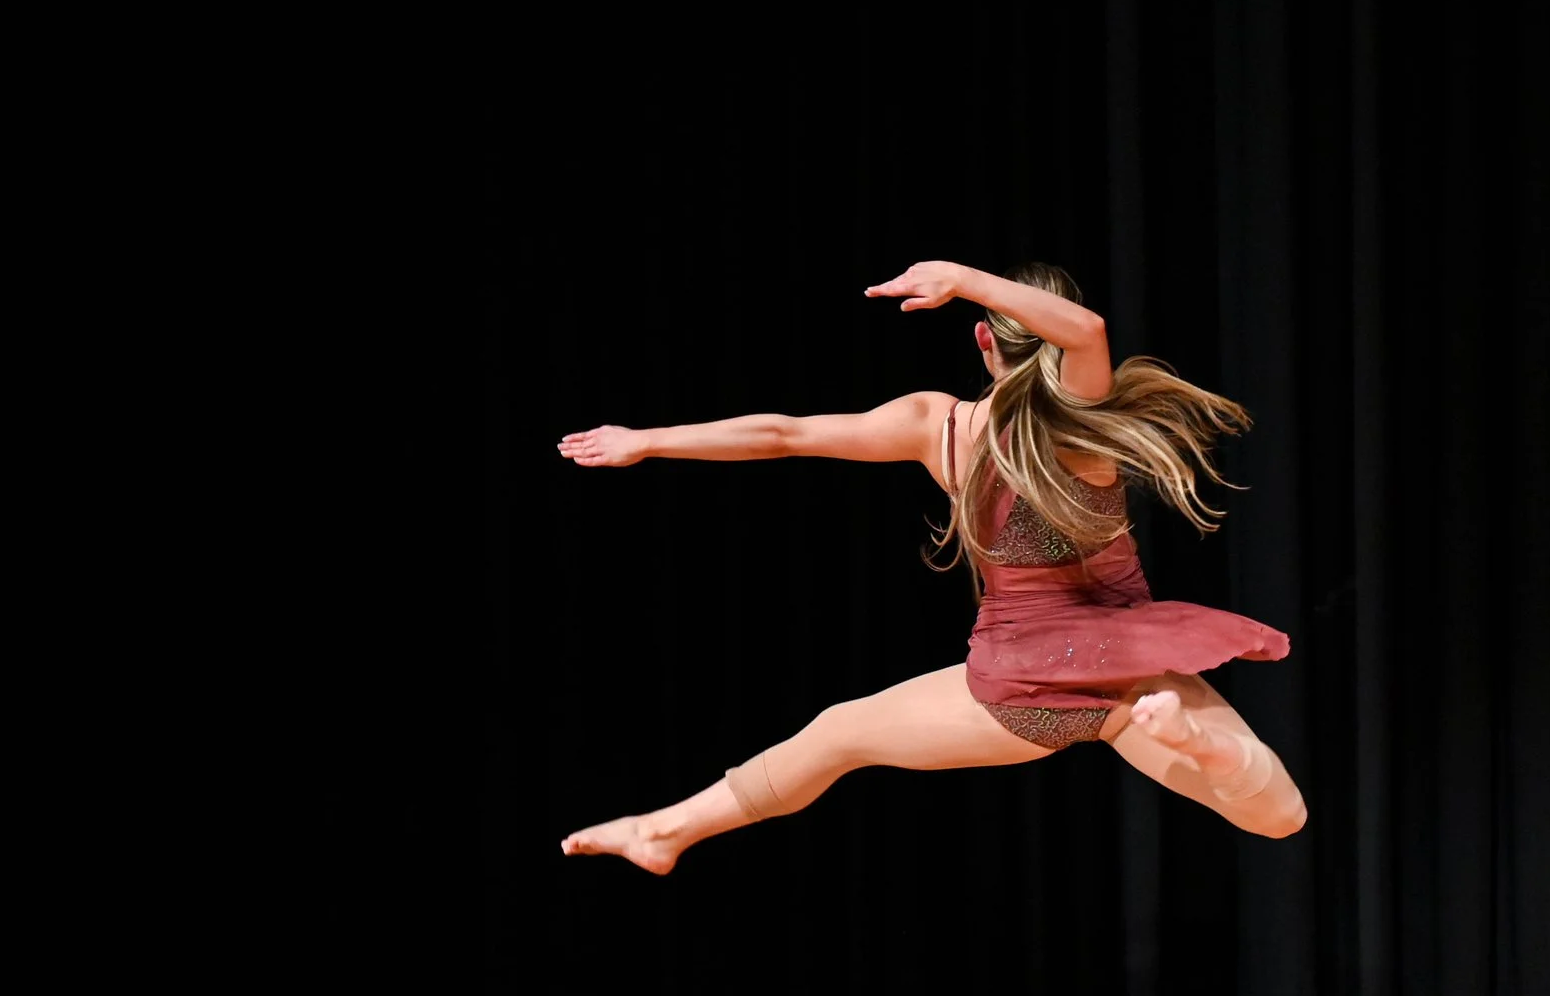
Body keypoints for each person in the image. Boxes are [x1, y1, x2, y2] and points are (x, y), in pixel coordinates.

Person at [556, 260, 1305, 873]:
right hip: (1127, 664)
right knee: (1279, 816)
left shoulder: (935, 425)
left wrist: (648, 438)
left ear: (984, 338)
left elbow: (782, 432)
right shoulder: (1074, 419)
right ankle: (1193, 739)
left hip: (1021, 685)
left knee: (836, 734)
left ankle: (667, 830)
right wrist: (969, 278)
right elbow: (1088, 330)